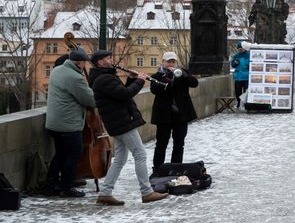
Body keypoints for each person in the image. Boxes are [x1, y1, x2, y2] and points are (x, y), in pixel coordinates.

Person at [88, 50, 168, 205]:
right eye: (108, 58)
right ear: (100, 62)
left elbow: (119, 94)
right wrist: (140, 81)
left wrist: (131, 80)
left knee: (120, 159)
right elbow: (124, 95)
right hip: (121, 121)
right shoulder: (103, 79)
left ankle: (105, 193)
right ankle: (146, 192)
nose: (111, 60)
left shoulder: (104, 77)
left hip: (118, 121)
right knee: (140, 154)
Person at [44, 49, 96, 197]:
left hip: (54, 122)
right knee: (74, 154)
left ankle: (51, 185)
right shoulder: (75, 77)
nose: (85, 64)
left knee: (60, 154)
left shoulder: (57, 70)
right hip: (69, 124)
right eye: (84, 62)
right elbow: (90, 100)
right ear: (78, 63)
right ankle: (66, 187)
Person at [149, 52, 199, 176]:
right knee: (161, 144)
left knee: (179, 143)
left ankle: (176, 168)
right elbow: (154, 89)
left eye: (173, 62)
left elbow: (194, 83)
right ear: (163, 62)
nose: (171, 64)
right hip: (164, 115)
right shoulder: (157, 75)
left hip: (180, 115)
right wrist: (168, 81)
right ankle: (158, 169)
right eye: (168, 61)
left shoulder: (182, 73)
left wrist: (181, 74)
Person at [230, 41, 250, 108]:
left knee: (245, 91)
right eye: (239, 49)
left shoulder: (248, 55)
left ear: (244, 48)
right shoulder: (236, 56)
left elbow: (252, 64)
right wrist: (235, 63)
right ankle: (239, 102)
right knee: (238, 90)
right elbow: (232, 65)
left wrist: (248, 66)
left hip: (246, 76)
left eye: (241, 49)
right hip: (238, 76)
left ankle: (245, 103)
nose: (240, 50)